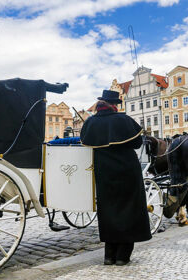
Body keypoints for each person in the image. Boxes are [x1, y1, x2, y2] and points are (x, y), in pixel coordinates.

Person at [80, 90, 151, 266]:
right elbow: (136, 143)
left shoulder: (90, 122)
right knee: (129, 209)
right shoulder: (123, 120)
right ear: (114, 105)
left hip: (104, 173)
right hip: (127, 172)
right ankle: (123, 256)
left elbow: (87, 142)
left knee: (109, 210)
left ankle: (109, 255)